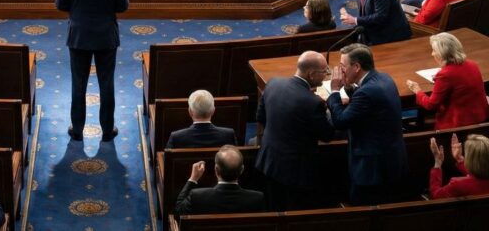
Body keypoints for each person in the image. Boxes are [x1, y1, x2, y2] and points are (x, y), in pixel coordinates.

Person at [55, 0, 129, 142]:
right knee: (107, 84)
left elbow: (61, 4)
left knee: (78, 84)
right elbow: (123, 6)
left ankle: (77, 130)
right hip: (106, 37)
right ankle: (107, 130)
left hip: (78, 37)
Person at [327, 44, 408, 205]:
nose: (340, 71)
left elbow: (341, 121)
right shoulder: (384, 78)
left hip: (371, 168)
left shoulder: (367, 92)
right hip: (391, 159)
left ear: (356, 67)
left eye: (343, 66)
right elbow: (367, 103)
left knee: (365, 209)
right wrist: (349, 87)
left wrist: (335, 91)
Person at [255, 51, 334, 210]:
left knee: (272, 210)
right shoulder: (313, 103)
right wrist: (331, 105)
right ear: (311, 74)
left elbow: (261, 116)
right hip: (295, 173)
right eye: (324, 72)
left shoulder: (273, 83)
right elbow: (328, 135)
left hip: (267, 161)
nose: (327, 75)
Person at [405, 32, 489, 130]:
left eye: (433, 50)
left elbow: (431, 105)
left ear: (442, 54)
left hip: (459, 126)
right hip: (481, 118)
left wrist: (417, 91)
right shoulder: (472, 64)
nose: (432, 54)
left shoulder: (445, 75)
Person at [175, 145, 265, 216]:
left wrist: (193, 179)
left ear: (216, 170)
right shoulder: (257, 199)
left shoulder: (197, 196)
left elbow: (179, 209)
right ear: (242, 170)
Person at [428, 133, 489, 199]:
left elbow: (435, 195)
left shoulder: (458, 184)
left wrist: (437, 163)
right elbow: (481, 175)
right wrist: (460, 159)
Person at [166, 90, 237, 149]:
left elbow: (167, 163)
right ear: (213, 111)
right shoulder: (228, 135)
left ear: (190, 112)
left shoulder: (176, 138)